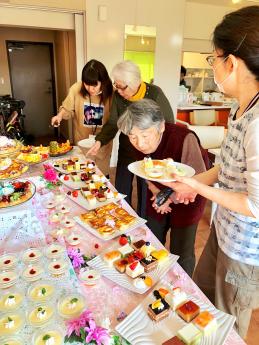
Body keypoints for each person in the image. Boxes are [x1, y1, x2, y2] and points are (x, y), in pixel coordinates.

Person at [161, 6, 259, 339]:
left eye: (213, 58)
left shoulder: (258, 124)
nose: (213, 65)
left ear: (231, 63)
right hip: (224, 230)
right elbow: (225, 168)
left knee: (227, 326)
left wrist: (197, 189)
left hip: (245, 248)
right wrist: (186, 183)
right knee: (202, 303)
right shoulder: (240, 108)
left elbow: (255, 205)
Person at [117, 99, 209, 276]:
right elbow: (145, 171)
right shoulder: (138, 142)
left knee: (181, 251)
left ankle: (182, 288)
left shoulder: (183, 138)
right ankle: (152, 279)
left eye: (145, 136)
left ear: (161, 127)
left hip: (190, 198)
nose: (140, 143)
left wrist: (171, 197)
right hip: (160, 193)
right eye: (132, 136)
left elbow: (199, 182)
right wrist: (157, 193)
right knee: (151, 240)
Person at [87, 60, 175, 215]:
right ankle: (122, 215)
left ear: (135, 83)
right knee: (122, 184)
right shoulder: (118, 95)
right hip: (128, 146)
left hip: (149, 150)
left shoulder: (155, 93)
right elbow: (114, 122)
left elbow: (168, 123)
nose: (118, 90)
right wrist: (100, 140)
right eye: (116, 85)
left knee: (145, 187)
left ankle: (143, 220)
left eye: (122, 87)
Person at [51, 59, 113, 175]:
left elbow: (114, 121)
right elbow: (67, 108)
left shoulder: (112, 93)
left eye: (94, 85)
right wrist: (59, 116)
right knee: (82, 175)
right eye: (86, 84)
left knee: (101, 178)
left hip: (102, 147)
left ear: (103, 82)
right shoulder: (76, 89)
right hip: (82, 143)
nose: (90, 89)